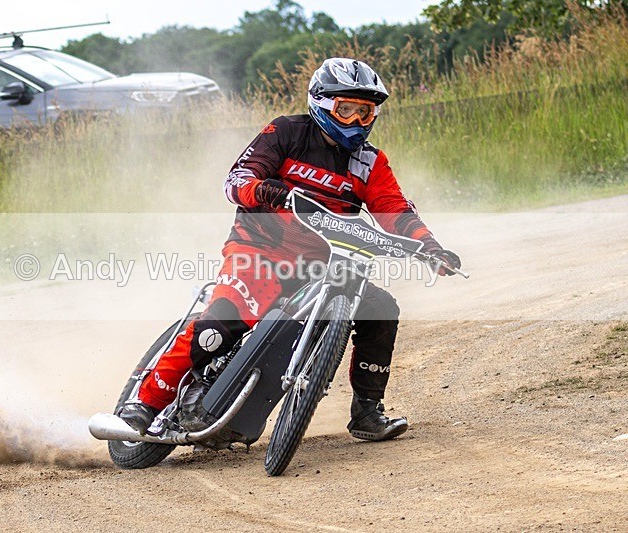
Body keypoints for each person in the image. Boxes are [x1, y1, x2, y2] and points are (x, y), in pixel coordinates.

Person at [120, 58, 461, 441]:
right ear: (321, 104)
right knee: (223, 320)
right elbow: (237, 179)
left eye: (364, 112)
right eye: (344, 109)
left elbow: (395, 210)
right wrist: (263, 189)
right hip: (260, 248)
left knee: (381, 309)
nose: (355, 121)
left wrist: (429, 246)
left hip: (325, 263)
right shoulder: (286, 132)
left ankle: (367, 412)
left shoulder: (370, 162)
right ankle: (142, 405)